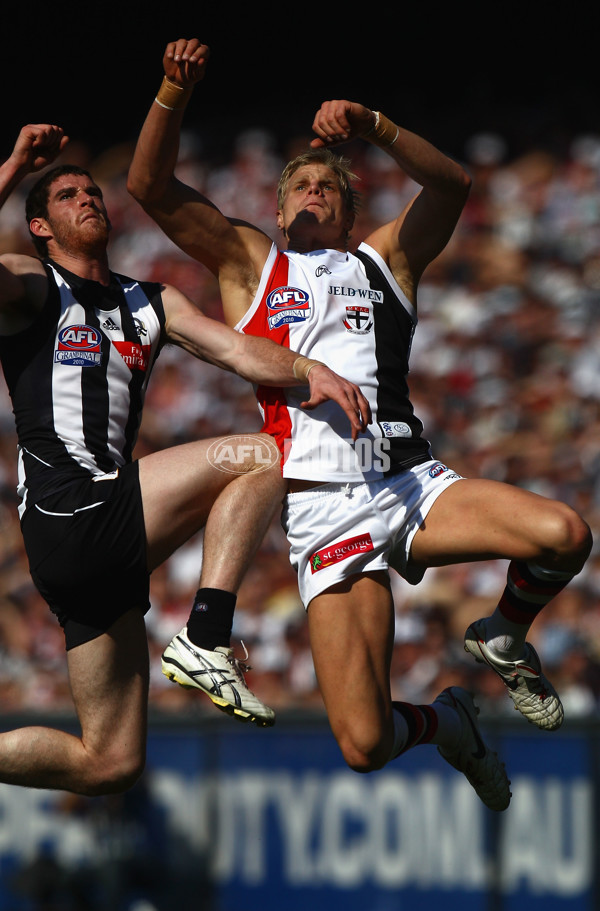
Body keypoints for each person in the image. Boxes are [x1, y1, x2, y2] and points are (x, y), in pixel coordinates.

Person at [126, 38, 593, 812]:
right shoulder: (252, 263)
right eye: (300, 187)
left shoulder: (384, 264)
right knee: (365, 742)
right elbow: (147, 184)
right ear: (276, 210)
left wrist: (376, 125)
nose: (314, 194)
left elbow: (453, 182)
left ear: (349, 209)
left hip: (406, 479)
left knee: (564, 533)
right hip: (320, 505)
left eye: (328, 188)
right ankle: (449, 723)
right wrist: (172, 91)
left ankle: (506, 633)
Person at [0, 123, 371, 796]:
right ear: (39, 227)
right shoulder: (30, 285)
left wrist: (304, 367)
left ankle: (200, 639)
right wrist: (13, 164)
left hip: (94, 552)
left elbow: (233, 350)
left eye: (93, 190)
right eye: (67, 195)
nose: (90, 199)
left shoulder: (150, 300)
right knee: (263, 453)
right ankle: (206, 634)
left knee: (110, 760)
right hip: (74, 508)